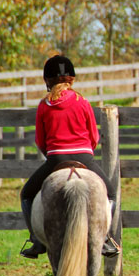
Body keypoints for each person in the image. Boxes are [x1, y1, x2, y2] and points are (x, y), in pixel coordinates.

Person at [20, 55, 120, 259]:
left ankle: (36, 240)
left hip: (56, 157)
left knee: (27, 194)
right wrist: (85, 152)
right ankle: (106, 238)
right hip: (85, 156)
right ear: (71, 79)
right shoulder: (82, 101)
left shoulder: (44, 105)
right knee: (110, 193)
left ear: (47, 80)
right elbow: (94, 136)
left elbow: (40, 140)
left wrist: (52, 156)